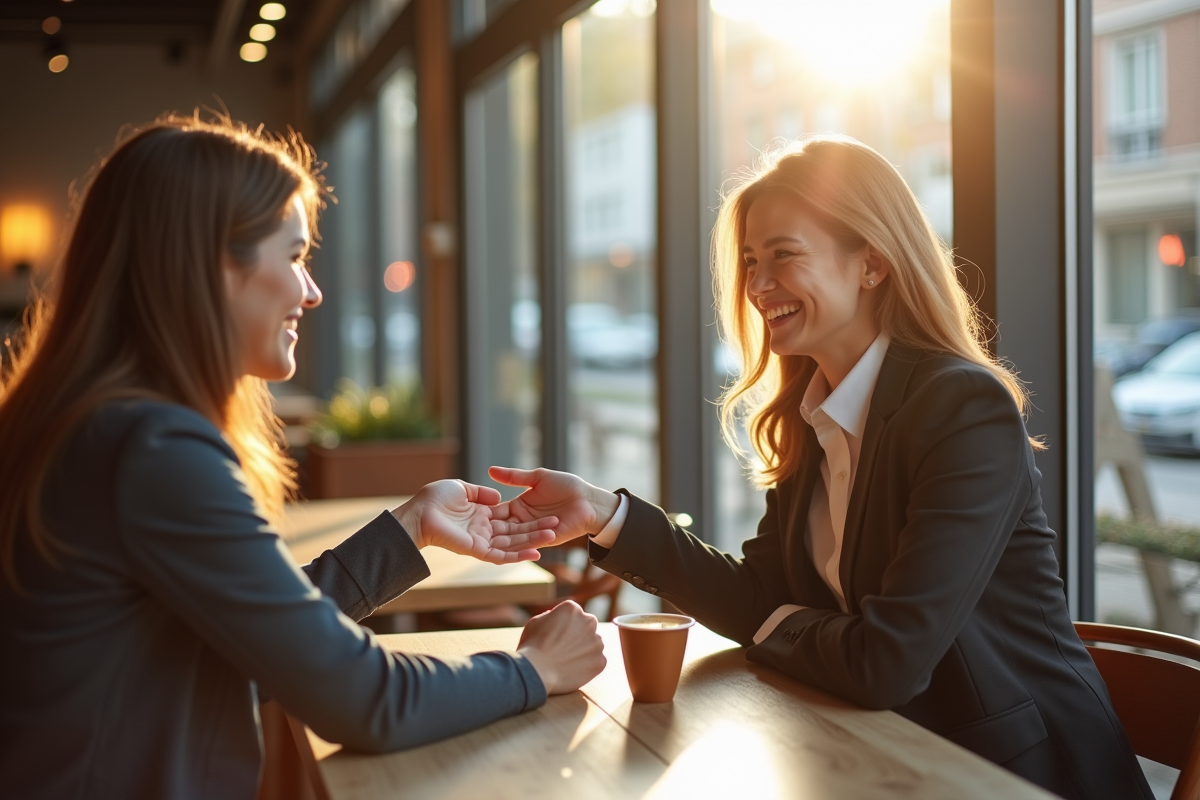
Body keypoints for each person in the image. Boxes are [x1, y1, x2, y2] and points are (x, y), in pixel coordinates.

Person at [488, 135, 1153, 799]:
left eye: (783, 256)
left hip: (1012, 773)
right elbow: (756, 595)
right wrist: (608, 515)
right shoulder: (814, 416)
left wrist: (773, 624)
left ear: (872, 263)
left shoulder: (960, 409)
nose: (755, 285)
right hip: (884, 756)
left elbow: (885, 663)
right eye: (750, 262)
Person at [0, 116, 605, 800]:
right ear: (206, 266)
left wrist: (411, 529)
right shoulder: (153, 449)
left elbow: (254, 647)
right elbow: (360, 698)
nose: (311, 291)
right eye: (293, 256)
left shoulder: (97, 426)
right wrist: (532, 670)